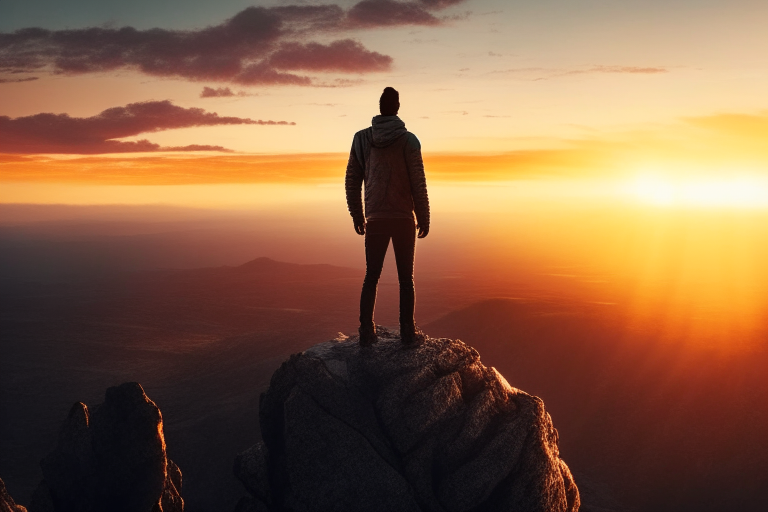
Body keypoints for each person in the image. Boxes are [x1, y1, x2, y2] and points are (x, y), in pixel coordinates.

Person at [345, 87, 430, 347]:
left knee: (372, 275)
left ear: (380, 107)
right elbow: (418, 182)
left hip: (376, 218)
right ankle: (407, 332)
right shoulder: (409, 141)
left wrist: (357, 214)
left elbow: (352, 179)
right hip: (404, 218)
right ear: (397, 108)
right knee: (407, 279)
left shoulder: (361, 139)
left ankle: (366, 331)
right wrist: (424, 216)